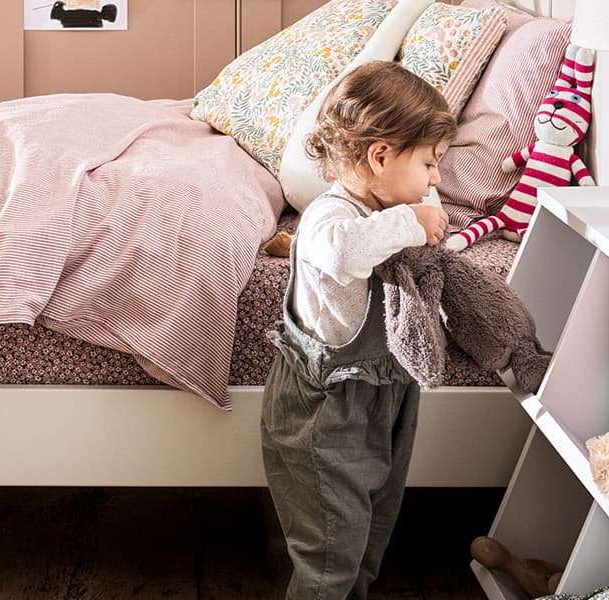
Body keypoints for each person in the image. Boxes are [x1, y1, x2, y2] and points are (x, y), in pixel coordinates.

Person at [261, 60, 457, 600]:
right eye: (430, 164)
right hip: (328, 409)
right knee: (331, 548)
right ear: (379, 156)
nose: (436, 180)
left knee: (372, 532)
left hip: (388, 398)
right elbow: (345, 251)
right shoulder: (331, 215)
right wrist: (410, 222)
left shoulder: (393, 200)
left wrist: (421, 215)